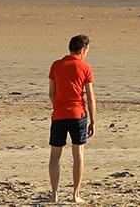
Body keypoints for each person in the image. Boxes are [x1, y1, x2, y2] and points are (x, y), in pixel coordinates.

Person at [48, 34, 95, 203]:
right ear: (82, 49)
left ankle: (54, 194)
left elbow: (51, 94)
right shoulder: (85, 67)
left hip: (59, 114)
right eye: (87, 50)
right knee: (78, 154)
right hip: (78, 114)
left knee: (55, 155)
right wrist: (93, 121)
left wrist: (58, 106)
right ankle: (75, 194)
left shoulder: (56, 65)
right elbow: (90, 97)